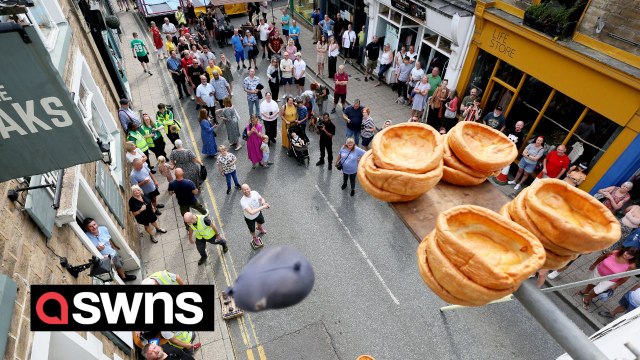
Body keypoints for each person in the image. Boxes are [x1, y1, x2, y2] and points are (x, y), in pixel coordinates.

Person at [240, 184, 269, 249]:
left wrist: (263, 203)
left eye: (247, 189)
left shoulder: (254, 193)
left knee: (261, 222)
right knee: (252, 230)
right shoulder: (243, 201)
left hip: (258, 213)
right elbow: (251, 212)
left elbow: (261, 198)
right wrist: (263, 207)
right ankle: (255, 237)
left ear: (249, 188)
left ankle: (259, 227)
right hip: (249, 218)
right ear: (242, 191)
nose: (246, 191)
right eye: (244, 190)